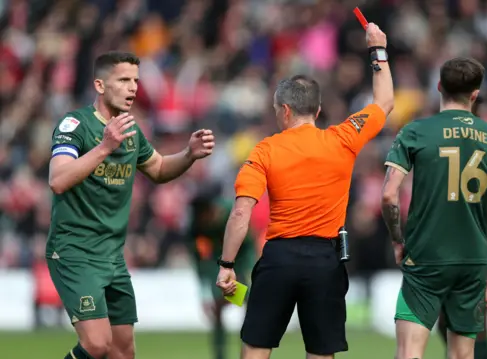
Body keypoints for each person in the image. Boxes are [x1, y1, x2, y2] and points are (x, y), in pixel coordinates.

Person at [215, 23, 393, 359]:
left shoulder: (264, 150)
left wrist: (227, 264)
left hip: (279, 257)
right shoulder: (343, 138)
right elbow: (385, 102)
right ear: (318, 109)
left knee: (255, 348)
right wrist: (377, 49)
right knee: (321, 352)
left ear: (284, 110)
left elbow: (241, 211)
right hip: (325, 260)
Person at [47, 51, 215, 359]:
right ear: (100, 85)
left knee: (123, 351)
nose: (133, 88)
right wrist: (104, 147)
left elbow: (159, 169)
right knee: (97, 343)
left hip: (112, 256)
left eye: (136, 81)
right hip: (75, 251)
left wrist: (189, 154)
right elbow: (58, 179)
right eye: (123, 80)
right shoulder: (75, 125)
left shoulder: (132, 131)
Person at [381, 57, 487, 359]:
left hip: (426, 256)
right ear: (475, 94)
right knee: (463, 355)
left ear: (439, 87)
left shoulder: (415, 132)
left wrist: (397, 239)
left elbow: (389, 195)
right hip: (473, 260)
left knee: (410, 352)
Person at [435, 97, 487, 359]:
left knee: (471, 322)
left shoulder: (456, 142)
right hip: (461, 244)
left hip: (466, 246)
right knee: (453, 321)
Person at [188, 186, 256, 359]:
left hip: (239, 266)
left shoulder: (231, 215)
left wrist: (248, 272)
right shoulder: (196, 227)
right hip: (218, 269)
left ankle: (250, 350)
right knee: (217, 309)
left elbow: (248, 247)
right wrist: (205, 292)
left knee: (252, 307)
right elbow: (200, 260)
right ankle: (220, 355)